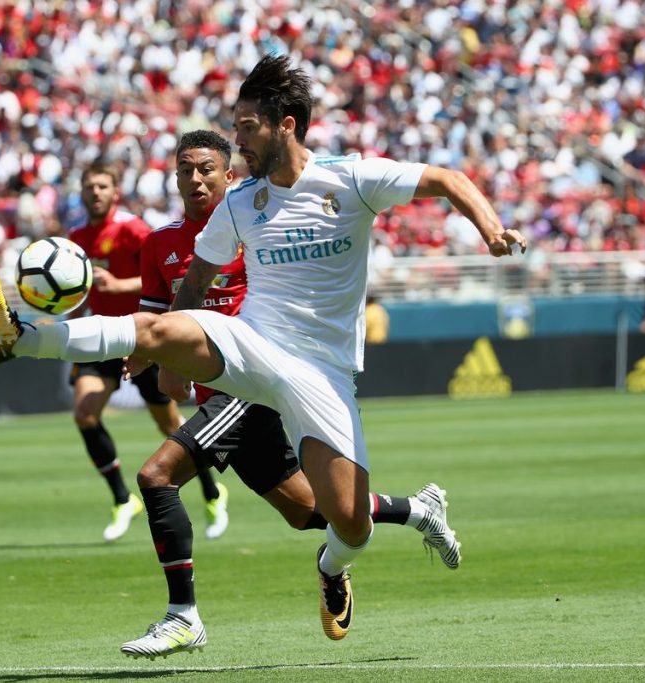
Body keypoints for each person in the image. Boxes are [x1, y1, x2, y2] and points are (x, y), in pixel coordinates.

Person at [0, 55, 526, 642]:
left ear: (285, 125)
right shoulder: (241, 203)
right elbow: (194, 283)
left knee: (344, 523)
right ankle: (21, 336)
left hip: (322, 373)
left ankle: (333, 566)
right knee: (154, 336)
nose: (237, 141)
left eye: (246, 128)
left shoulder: (350, 178)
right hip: (253, 342)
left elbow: (447, 179)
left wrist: (491, 230)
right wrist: (164, 350)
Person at [118, 129, 461, 658]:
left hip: (252, 381)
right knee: (306, 512)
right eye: (185, 170)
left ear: (229, 174)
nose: (195, 179)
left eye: (207, 169)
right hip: (214, 394)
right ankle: (417, 510)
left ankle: (182, 616)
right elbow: (156, 317)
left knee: (156, 476)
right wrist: (153, 357)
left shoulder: (251, 224)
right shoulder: (158, 244)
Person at [63, 161, 228, 542]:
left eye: (102, 186)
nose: (95, 193)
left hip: (143, 338)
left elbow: (161, 276)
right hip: (103, 337)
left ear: (115, 192)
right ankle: (123, 499)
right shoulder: (77, 236)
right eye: (89, 187)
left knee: (169, 425)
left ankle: (212, 492)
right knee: (85, 413)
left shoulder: (134, 229)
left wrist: (120, 285)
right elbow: (78, 292)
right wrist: (69, 330)